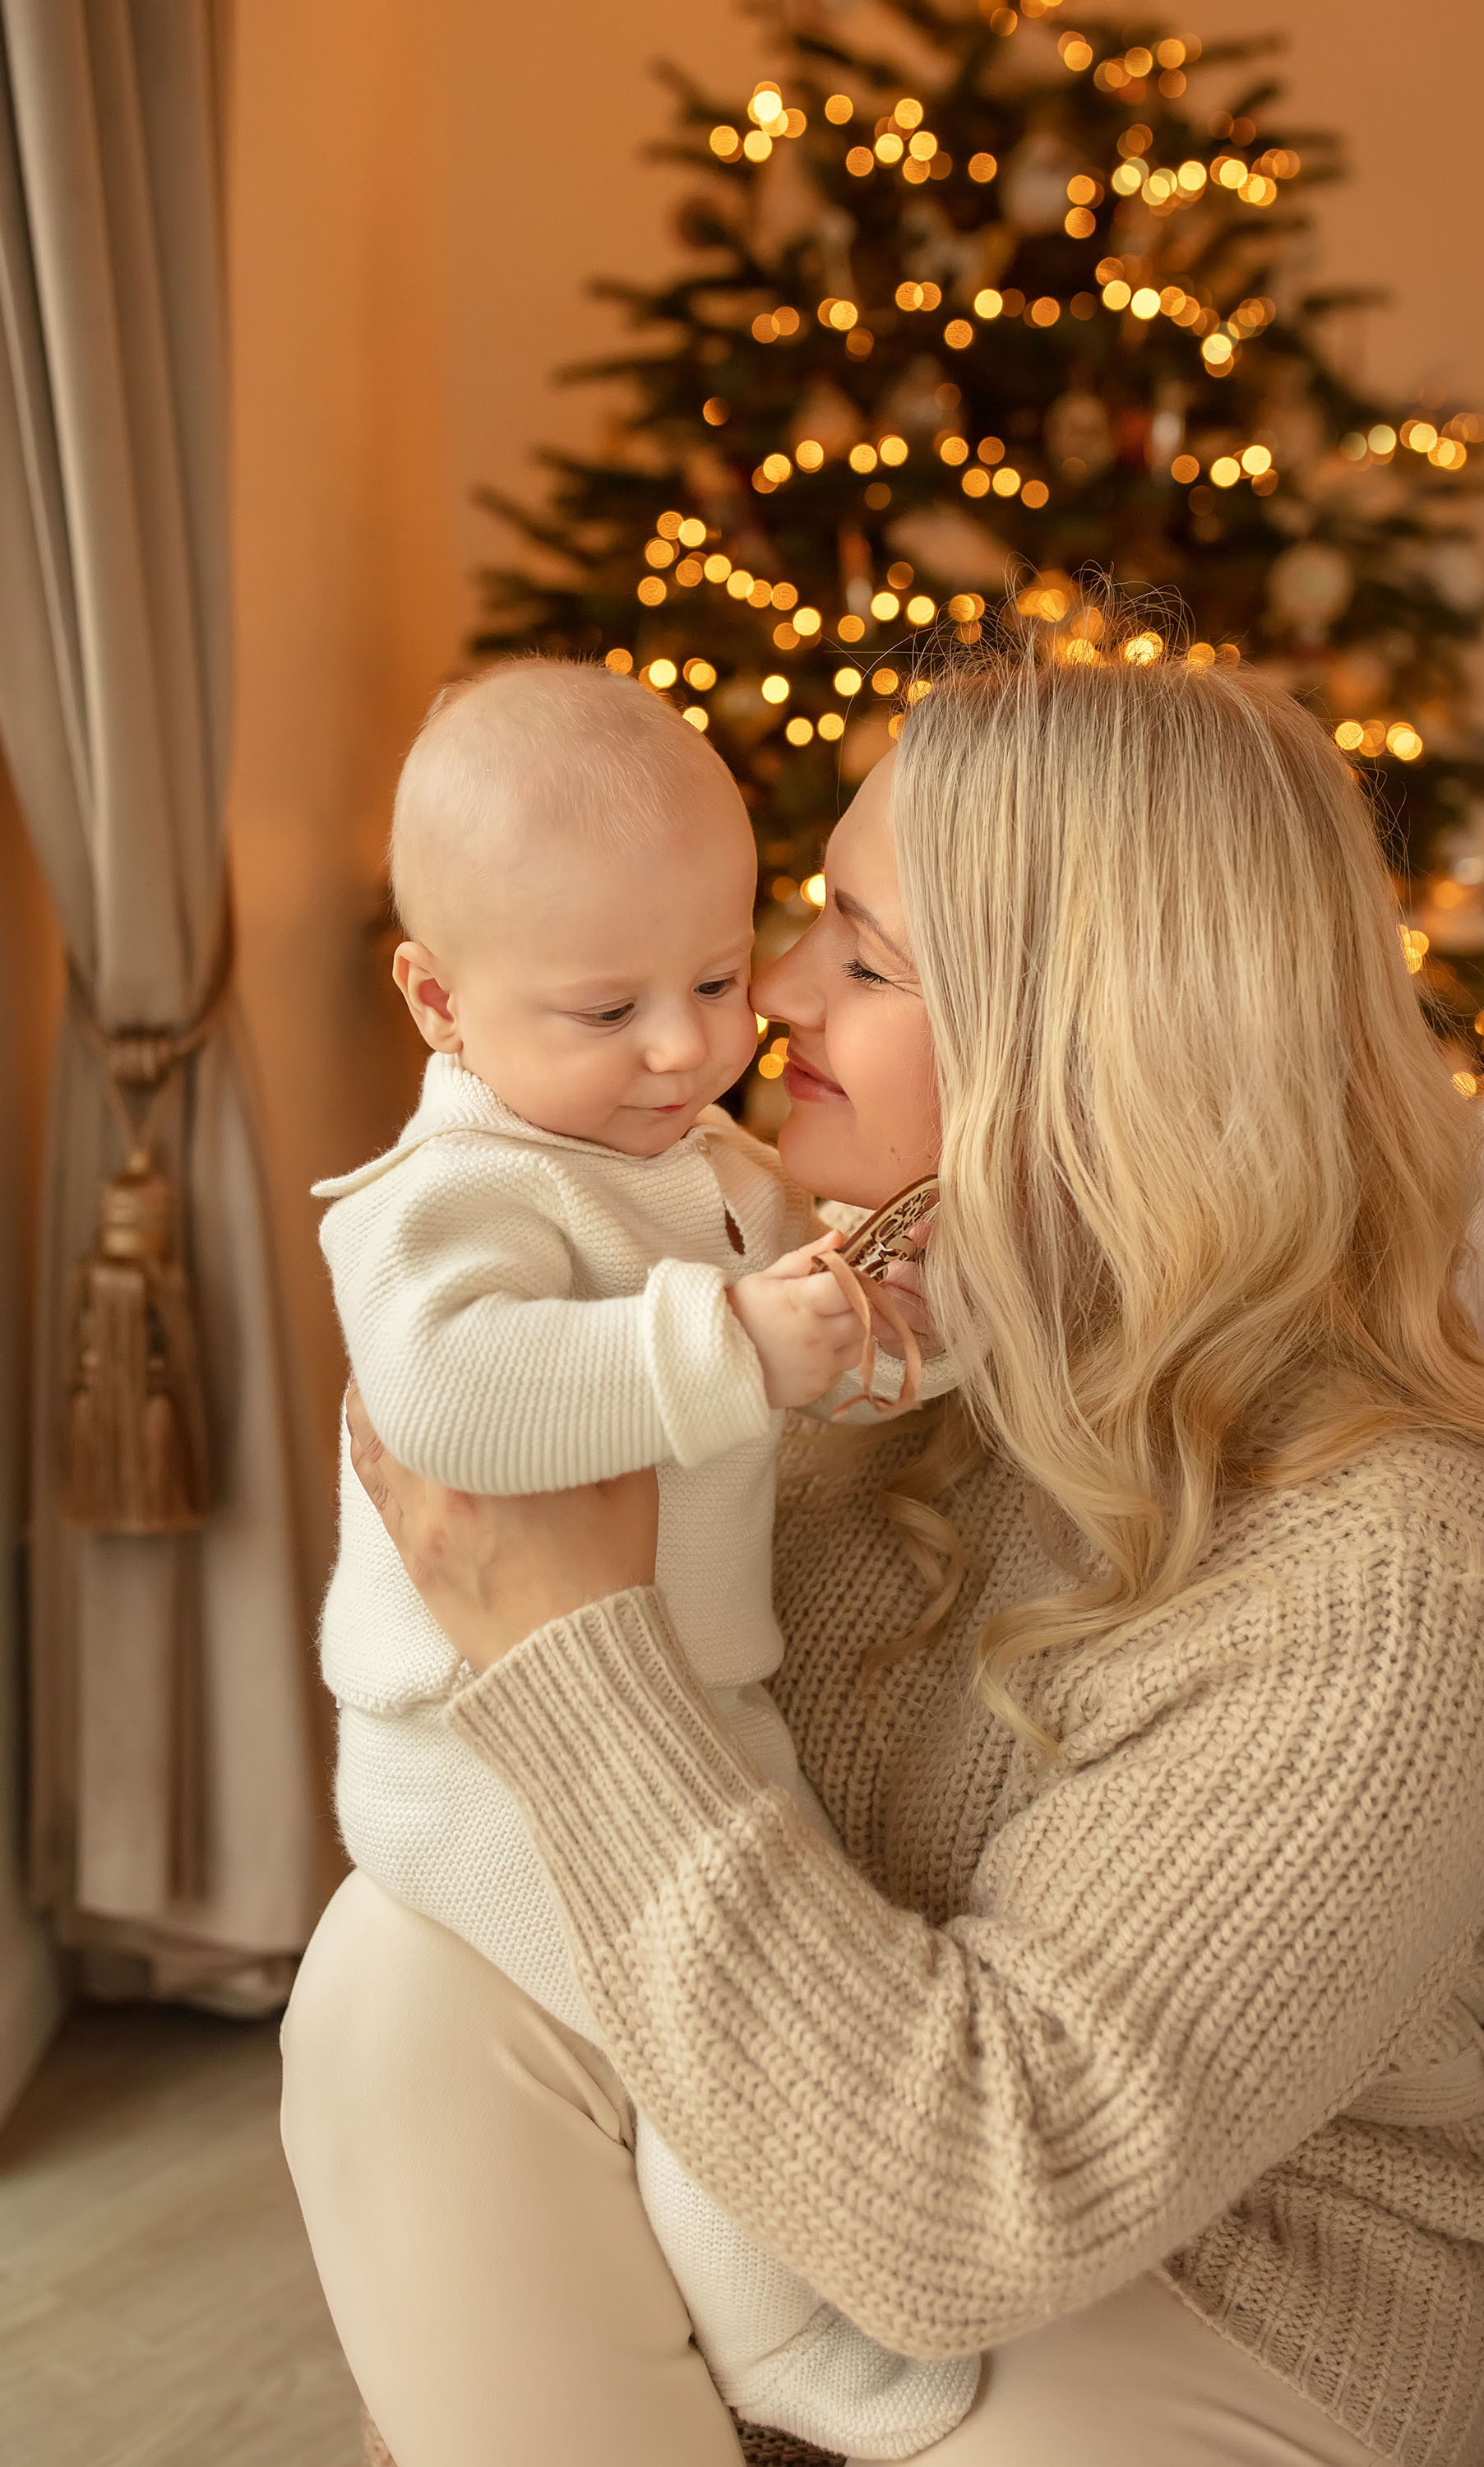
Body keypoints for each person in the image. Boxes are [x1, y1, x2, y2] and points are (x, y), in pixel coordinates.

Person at [283, 635, 1484, 2467]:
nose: (759, 994)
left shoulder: (1396, 1583)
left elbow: (975, 2216)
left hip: (1203, 2314)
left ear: (1086, 1031)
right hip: (809, 2184)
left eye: (859, 952)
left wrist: (561, 1645)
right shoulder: (834, 1344)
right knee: (399, 1977)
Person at [307, 658, 977, 2457]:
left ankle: (783, 2296)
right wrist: (729, 1350)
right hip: (486, 1751)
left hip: (689, 1696)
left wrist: (891, 1339)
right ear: (439, 1002)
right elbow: (451, 1403)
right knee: (688, 2026)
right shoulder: (447, 1197)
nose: (688, 1047)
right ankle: (782, 2347)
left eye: (707, 978)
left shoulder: (701, 1162)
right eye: (607, 1006)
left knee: (785, 1969)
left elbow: (803, 1358)